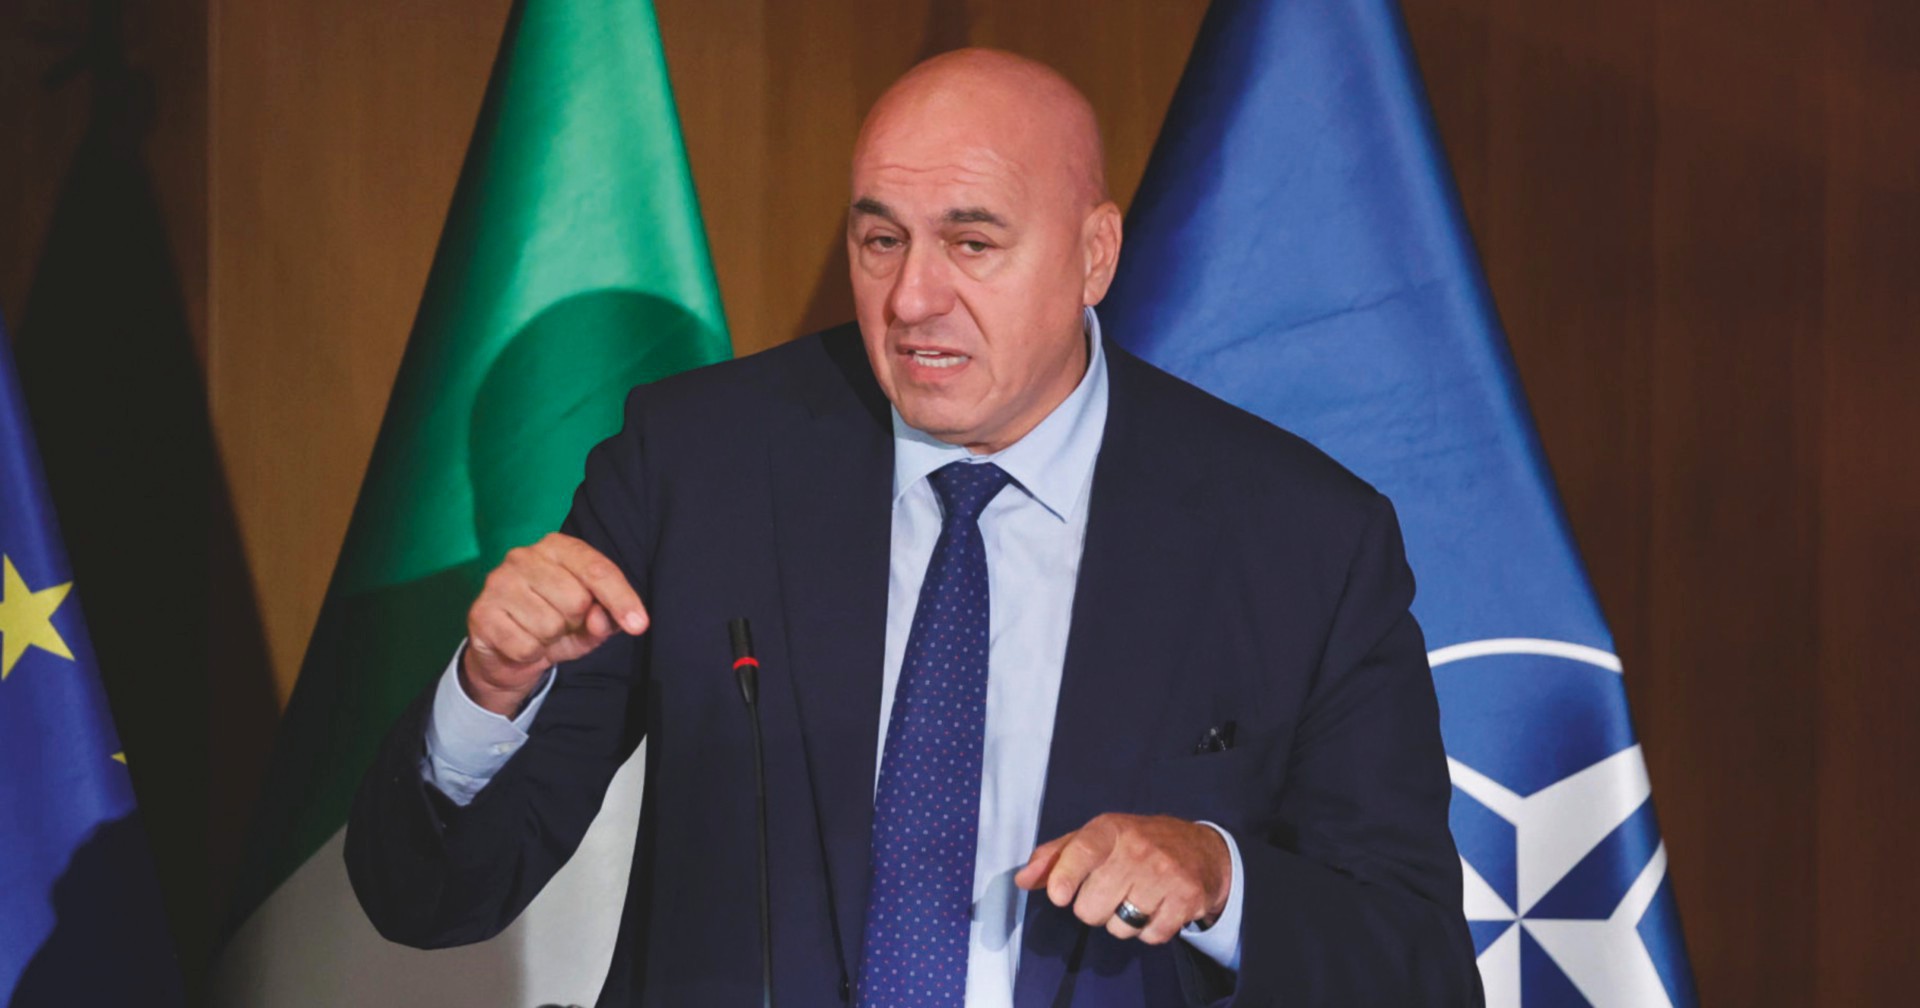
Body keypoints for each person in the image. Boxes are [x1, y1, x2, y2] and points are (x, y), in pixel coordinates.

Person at [346, 48, 1482, 1007]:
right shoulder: (698, 464)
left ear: (1093, 254)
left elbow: (1418, 966)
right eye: (880, 240)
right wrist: (490, 692)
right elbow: (431, 896)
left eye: (972, 244)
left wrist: (1220, 879)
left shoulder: (1300, 538)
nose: (911, 301)